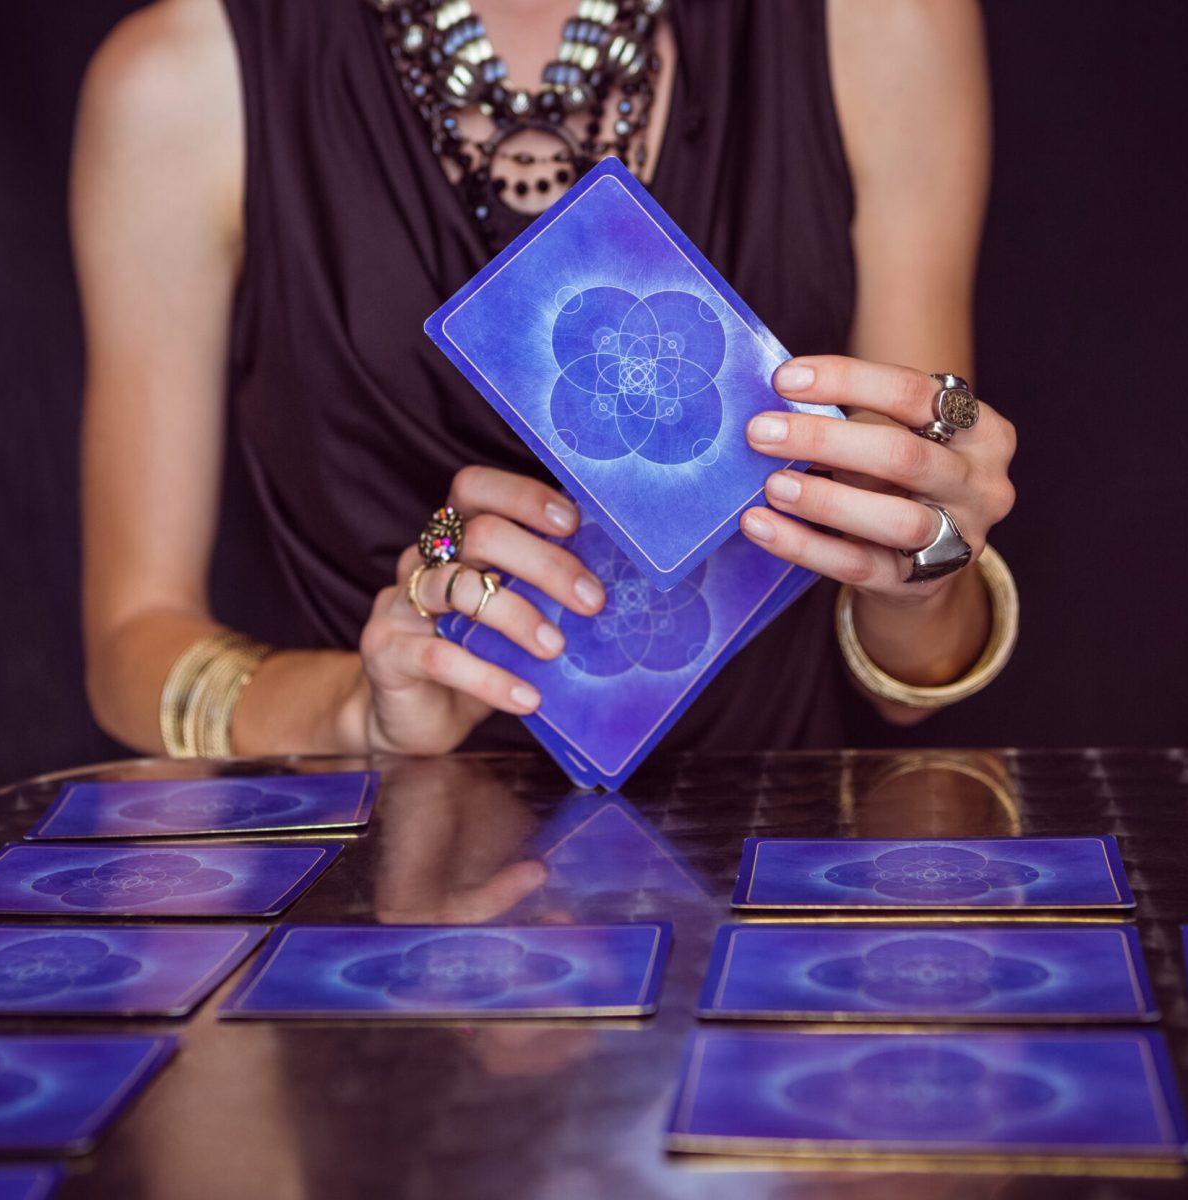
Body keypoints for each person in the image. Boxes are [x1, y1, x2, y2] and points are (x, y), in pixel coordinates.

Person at [72, 0, 1018, 763]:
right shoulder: (180, 82)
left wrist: (924, 574)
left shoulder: (882, 25)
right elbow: (130, 643)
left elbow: (911, 682)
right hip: (391, 894)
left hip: (766, 876)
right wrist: (351, 709)